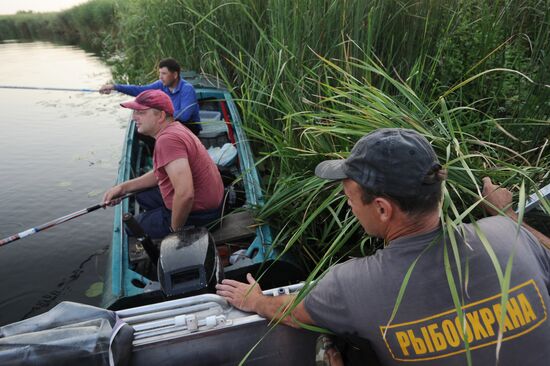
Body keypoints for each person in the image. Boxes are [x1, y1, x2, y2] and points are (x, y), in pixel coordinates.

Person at [216, 128, 550, 365]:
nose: (349, 207)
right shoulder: (510, 235)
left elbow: (288, 312)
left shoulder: (349, 285)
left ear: (382, 209)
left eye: (349, 199)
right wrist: (505, 213)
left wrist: (256, 300)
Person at [103, 90, 224, 239]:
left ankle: (169, 221)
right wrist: (123, 187)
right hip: (211, 203)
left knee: (130, 228)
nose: (134, 117)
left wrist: (175, 231)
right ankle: (160, 214)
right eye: (134, 112)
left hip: (202, 215)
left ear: (160, 115)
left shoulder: (167, 141)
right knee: (141, 195)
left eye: (140, 112)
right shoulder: (175, 127)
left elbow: (185, 194)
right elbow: (160, 172)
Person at [99, 57, 202, 135]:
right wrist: (115, 87)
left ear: (175, 75)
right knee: (139, 132)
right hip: (170, 122)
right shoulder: (161, 84)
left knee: (152, 128)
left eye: (164, 74)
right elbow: (140, 90)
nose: (160, 77)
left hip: (189, 127)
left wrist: (158, 113)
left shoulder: (187, 89)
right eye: (160, 73)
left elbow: (184, 116)